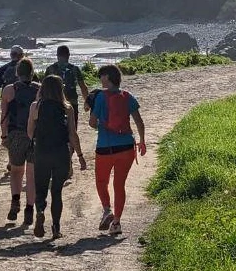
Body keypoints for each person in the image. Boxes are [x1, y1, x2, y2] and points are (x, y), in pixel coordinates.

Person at [88, 64, 146, 236]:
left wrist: (102, 124)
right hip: (127, 147)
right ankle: (116, 223)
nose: (100, 79)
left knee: (101, 181)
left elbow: (92, 123)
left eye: (101, 76)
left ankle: (107, 209)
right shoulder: (128, 96)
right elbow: (139, 122)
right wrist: (142, 141)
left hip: (105, 147)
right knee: (119, 185)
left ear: (107, 77)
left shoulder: (99, 97)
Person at [27, 75, 86, 238]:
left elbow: (30, 132)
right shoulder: (67, 107)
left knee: (41, 189)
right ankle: (56, 228)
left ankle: (39, 211)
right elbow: (73, 134)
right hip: (61, 152)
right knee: (57, 191)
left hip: (42, 152)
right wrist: (80, 155)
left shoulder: (36, 106)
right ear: (61, 89)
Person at [0, 57, 40, 225]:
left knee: (16, 171)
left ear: (17, 72)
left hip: (15, 133)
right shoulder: (40, 89)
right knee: (31, 175)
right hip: (34, 135)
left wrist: (3, 136)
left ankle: (15, 199)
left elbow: (4, 116)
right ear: (32, 72)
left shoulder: (9, 90)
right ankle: (29, 209)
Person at [0, 45, 25, 121]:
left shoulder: (3, 69)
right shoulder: (28, 68)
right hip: (24, 98)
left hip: (7, 99)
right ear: (22, 55)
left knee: (6, 120)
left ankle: (4, 133)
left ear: (11, 55)